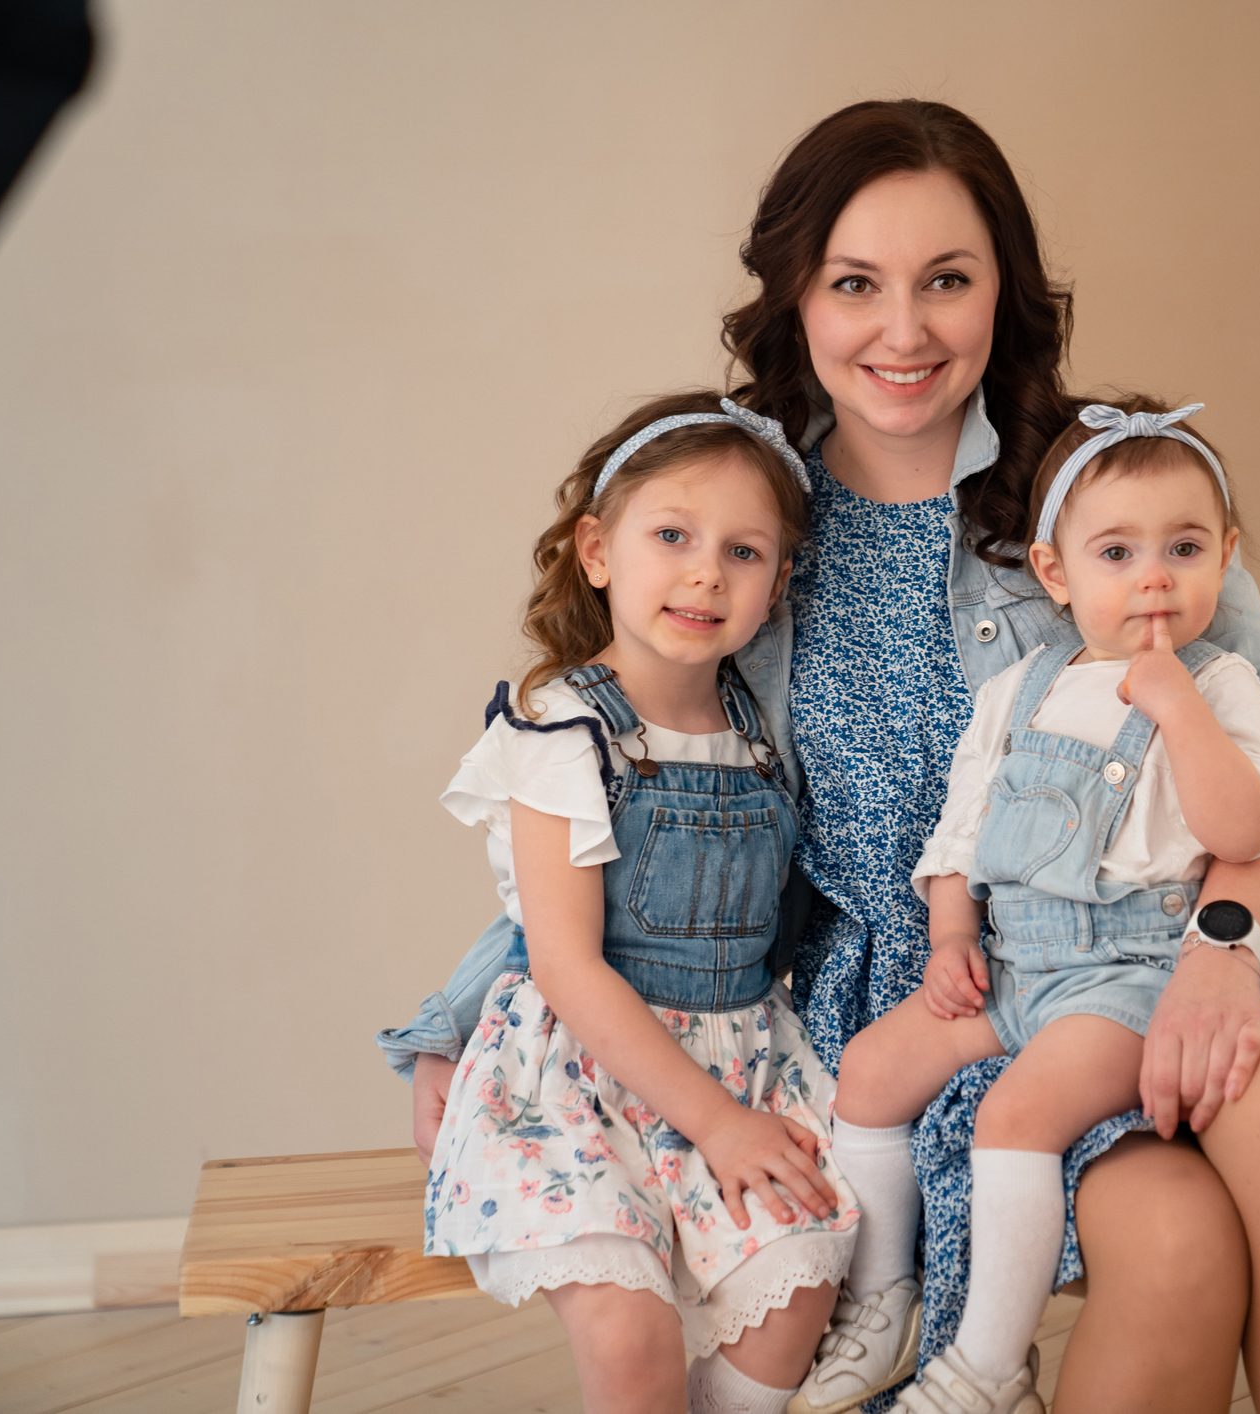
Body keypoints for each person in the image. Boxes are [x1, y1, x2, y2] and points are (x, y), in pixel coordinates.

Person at [382, 101, 1260, 1413]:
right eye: (856, 283)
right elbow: (617, 801)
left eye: (947, 282)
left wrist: (1227, 942)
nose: (903, 331)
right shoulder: (740, 519)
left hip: (1154, 944)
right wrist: (458, 1019)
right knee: (1178, 1248)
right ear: (796, 294)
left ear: (1002, 293)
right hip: (925, 1013)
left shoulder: (1105, 479)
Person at [799, 397, 1260, 1414]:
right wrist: (949, 938)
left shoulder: (1226, 683)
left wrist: (1178, 708)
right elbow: (962, 832)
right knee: (871, 1067)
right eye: (1117, 552)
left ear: (1226, 556)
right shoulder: (1017, 690)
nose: (1154, 575)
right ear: (1057, 572)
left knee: (1017, 1115)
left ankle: (987, 1365)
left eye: (1185, 547)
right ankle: (883, 1289)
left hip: (1132, 979)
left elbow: (1246, 827)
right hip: (1019, 968)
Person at [420, 391, 860, 1414]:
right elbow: (560, 959)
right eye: (672, 535)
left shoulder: (763, 728)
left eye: (745, 552)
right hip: (576, 1073)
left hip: (740, 1053)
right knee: (632, 1328)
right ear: (598, 549)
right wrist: (433, 1037)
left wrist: (734, 1116)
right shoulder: (561, 733)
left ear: (779, 582)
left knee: (801, 1275)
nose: (707, 570)